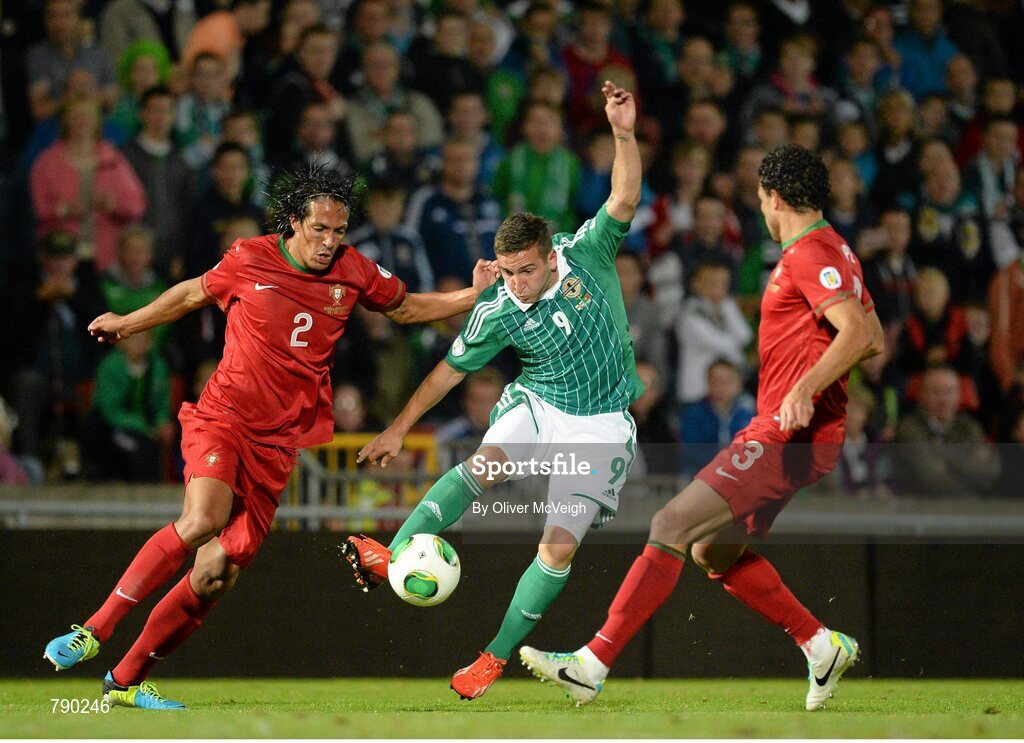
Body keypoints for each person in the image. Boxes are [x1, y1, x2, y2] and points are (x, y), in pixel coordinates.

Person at [42, 164, 499, 709]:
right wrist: (127, 321)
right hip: (224, 418)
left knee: (217, 573)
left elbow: (406, 307)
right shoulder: (249, 256)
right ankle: (94, 628)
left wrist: (473, 295)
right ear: (292, 223)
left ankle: (125, 681)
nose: (330, 242)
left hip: (278, 444)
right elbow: (191, 294)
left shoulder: (352, 270)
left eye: (339, 230)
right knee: (203, 519)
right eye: (320, 230)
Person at [519, 144, 885, 712]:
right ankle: (820, 643)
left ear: (776, 197)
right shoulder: (838, 250)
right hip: (807, 438)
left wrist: (804, 388)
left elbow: (859, 336)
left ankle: (591, 663)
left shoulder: (812, 253)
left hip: (786, 435)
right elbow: (876, 335)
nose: (762, 209)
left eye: (762, 199)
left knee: (671, 521)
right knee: (713, 551)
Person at [342, 81, 643, 701]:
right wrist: (399, 426)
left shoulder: (587, 251)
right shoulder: (499, 307)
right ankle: (391, 555)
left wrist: (621, 132)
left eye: (525, 270)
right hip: (538, 402)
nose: (515, 283)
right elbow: (448, 371)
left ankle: (493, 657)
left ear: (551, 258)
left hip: (601, 425)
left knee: (555, 550)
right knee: (480, 469)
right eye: (505, 272)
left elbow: (624, 194)